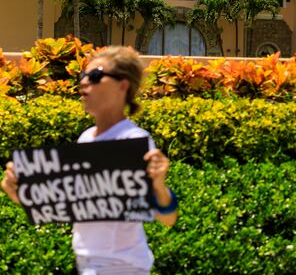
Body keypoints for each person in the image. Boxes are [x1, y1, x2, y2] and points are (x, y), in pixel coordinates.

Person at [1, 46, 179, 275]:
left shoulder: (134, 140)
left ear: (122, 85)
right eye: (82, 76)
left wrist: (158, 185)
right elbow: (71, 204)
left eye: (94, 76)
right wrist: (22, 193)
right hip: (86, 264)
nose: (84, 83)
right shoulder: (86, 138)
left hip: (121, 268)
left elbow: (167, 218)